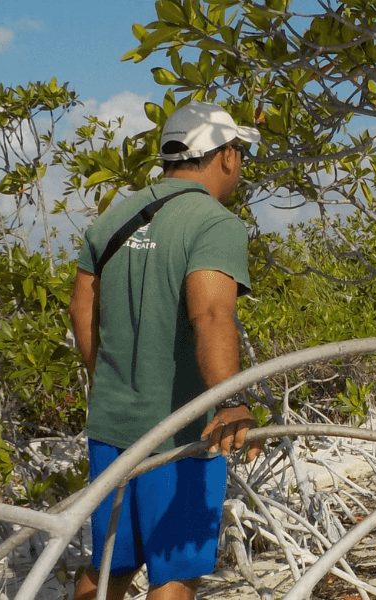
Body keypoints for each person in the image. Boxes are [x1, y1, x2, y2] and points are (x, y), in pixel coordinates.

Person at [67, 102, 261, 600]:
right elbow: (212, 315)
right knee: (173, 572)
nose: (239, 165)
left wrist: (110, 381)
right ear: (224, 157)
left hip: (111, 423)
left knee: (111, 560)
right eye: (238, 152)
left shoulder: (115, 215)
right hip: (179, 434)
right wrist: (230, 401)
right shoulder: (215, 224)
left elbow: (80, 308)